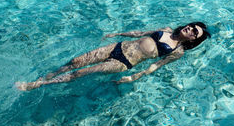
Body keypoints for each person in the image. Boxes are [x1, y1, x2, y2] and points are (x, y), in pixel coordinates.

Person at [16, 22, 210, 91]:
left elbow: (156, 66)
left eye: (194, 33)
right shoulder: (166, 30)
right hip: (117, 47)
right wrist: (117, 34)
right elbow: (139, 33)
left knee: (82, 72)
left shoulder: (177, 51)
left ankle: (36, 85)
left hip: (123, 62)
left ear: (193, 40)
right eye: (193, 26)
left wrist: (133, 77)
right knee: (75, 61)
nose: (191, 29)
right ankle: (49, 75)